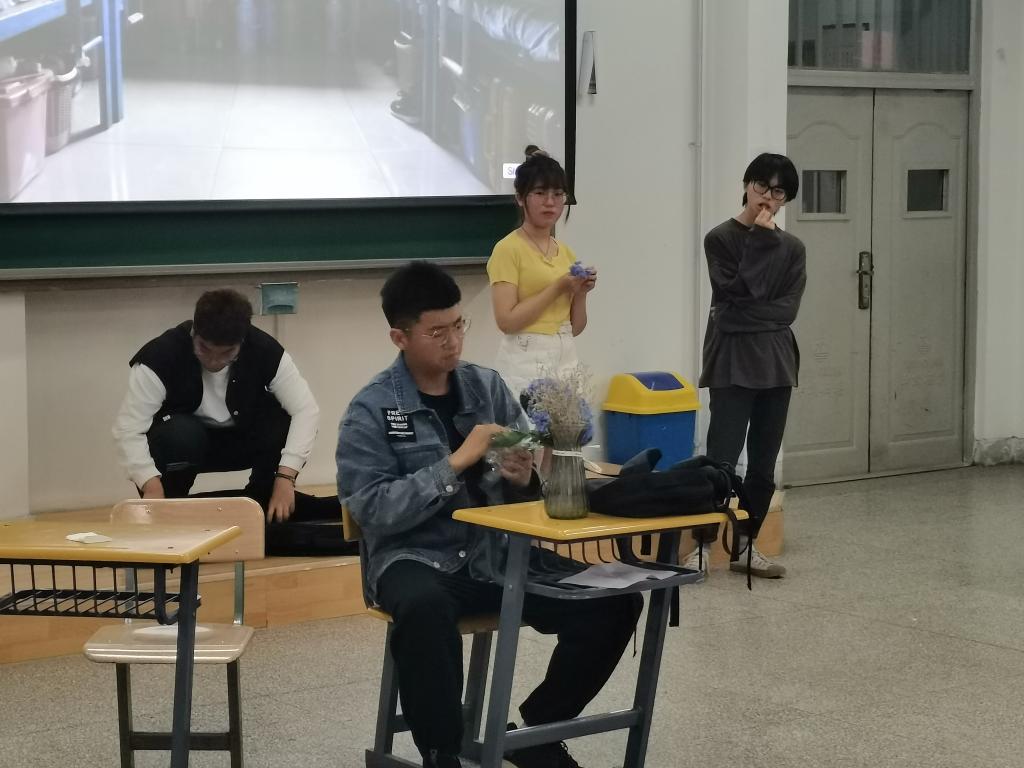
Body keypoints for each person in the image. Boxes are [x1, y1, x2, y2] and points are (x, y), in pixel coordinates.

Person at [336, 262, 641, 768]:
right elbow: (371, 508)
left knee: (614, 601)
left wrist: (522, 478)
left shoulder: (486, 387)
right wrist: (456, 461)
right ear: (400, 337)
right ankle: (442, 753)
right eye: (437, 332)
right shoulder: (371, 410)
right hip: (417, 558)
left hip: (499, 556)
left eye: (458, 325)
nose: (453, 341)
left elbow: (526, 484)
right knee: (424, 609)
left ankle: (539, 730)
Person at [112, 288, 352, 555]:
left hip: (240, 442)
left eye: (227, 353)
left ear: (242, 341)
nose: (214, 360)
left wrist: (286, 478)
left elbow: (306, 410)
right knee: (181, 433)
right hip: (184, 447)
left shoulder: (265, 349)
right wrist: (150, 485)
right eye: (204, 349)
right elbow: (128, 429)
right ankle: (171, 506)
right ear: (194, 332)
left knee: (279, 418)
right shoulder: (159, 357)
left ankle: (263, 498)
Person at [683, 153, 806, 580]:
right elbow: (734, 293)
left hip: (776, 363)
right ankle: (701, 546)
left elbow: (786, 311)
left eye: (778, 192)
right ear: (746, 186)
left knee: (763, 464)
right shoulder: (720, 239)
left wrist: (741, 315)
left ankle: (748, 545)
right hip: (731, 362)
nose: (767, 198)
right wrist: (759, 239)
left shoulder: (794, 248)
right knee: (721, 459)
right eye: (761, 187)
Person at [487, 146, 597, 398]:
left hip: (566, 357)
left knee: (569, 423)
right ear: (520, 198)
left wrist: (581, 293)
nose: (550, 202)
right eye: (539, 193)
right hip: (524, 359)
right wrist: (558, 287)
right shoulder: (508, 249)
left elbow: (576, 327)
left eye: (558, 194)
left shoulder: (566, 253)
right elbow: (506, 321)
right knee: (527, 423)